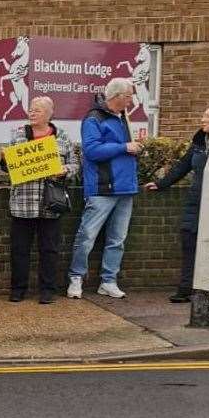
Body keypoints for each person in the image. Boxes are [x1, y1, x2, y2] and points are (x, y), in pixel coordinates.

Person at [67, 77, 142, 299]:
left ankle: (109, 280)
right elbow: (91, 151)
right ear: (118, 97)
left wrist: (133, 149)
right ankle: (76, 277)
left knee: (117, 239)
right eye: (129, 96)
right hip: (102, 186)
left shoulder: (123, 117)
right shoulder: (93, 119)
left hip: (126, 187)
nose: (131, 101)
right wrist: (124, 147)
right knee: (87, 235)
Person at [0, 97, 79, 304]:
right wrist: (4, 160)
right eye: (31, 109)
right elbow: (6, 167)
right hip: (23, 202)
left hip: (50, 203)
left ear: (49, 113)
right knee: (19, 250)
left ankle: (47, 290)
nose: (32, 113)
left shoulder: (62, 137)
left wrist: (65, 170)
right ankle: (18, 289)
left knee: (49, 250)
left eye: (37, 110)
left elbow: (75, 165)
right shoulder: (17, 135)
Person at [145, 104, 209, 303]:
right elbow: (183, 165)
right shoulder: (200, 141)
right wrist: (161, 184)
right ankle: (186, 289)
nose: (202, 119)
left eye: (207, 116)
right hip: (196, 202)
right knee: (189, 241)